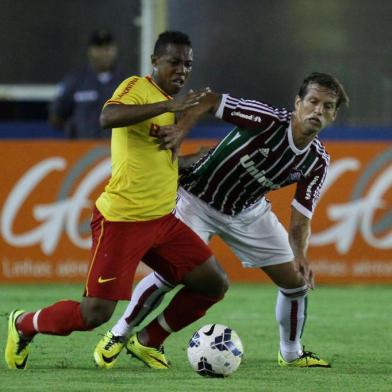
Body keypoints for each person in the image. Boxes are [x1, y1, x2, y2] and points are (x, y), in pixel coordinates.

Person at [5, 30, 229, 370]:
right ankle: (23, 323)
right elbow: (107, 117)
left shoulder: (170, 105)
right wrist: (170, 105)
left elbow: (157, 162)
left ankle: (149, 340)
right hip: (122, 221)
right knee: (93, 314)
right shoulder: (137, 88)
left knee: (213, 284)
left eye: (188, 64)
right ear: (155, 62)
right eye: (174, 62)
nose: (182, 70)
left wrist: (195, 159)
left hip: (163, 222)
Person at [93, 72, 349, 368]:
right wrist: (181, 131)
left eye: (327, 106)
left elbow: (301, 217)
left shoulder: (317, 161)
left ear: (333, 115)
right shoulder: (266, 120)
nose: (318, 110)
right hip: (197, 200)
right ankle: (118, 333)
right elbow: (209, 99)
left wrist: (301, 254)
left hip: (248, 212)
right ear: (297, 103)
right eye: (313, 102)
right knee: (171, 274)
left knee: (295, 283)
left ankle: (291, 353)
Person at [48, 29, 127, 138]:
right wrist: (73, 131)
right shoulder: (75, 79)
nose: (104, 52)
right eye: (99, 48)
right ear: (90, 51)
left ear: (115, 50)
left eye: (108, 47)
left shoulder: (127, 80)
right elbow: (56, 116)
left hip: (117, 149)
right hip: (82, 149)